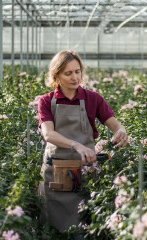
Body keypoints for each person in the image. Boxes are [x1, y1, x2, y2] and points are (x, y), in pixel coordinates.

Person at [37, 50, 129, 235]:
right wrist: (76, 145)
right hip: (57, 169)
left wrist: (121, 132)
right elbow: (48, 134)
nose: (75, 77)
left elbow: (115, 125)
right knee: (53, 226)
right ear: (56, 76)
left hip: (84, 168)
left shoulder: (92, 99)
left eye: (77, 71)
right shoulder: (47, 101)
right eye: (68, 73)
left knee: (83, 224)